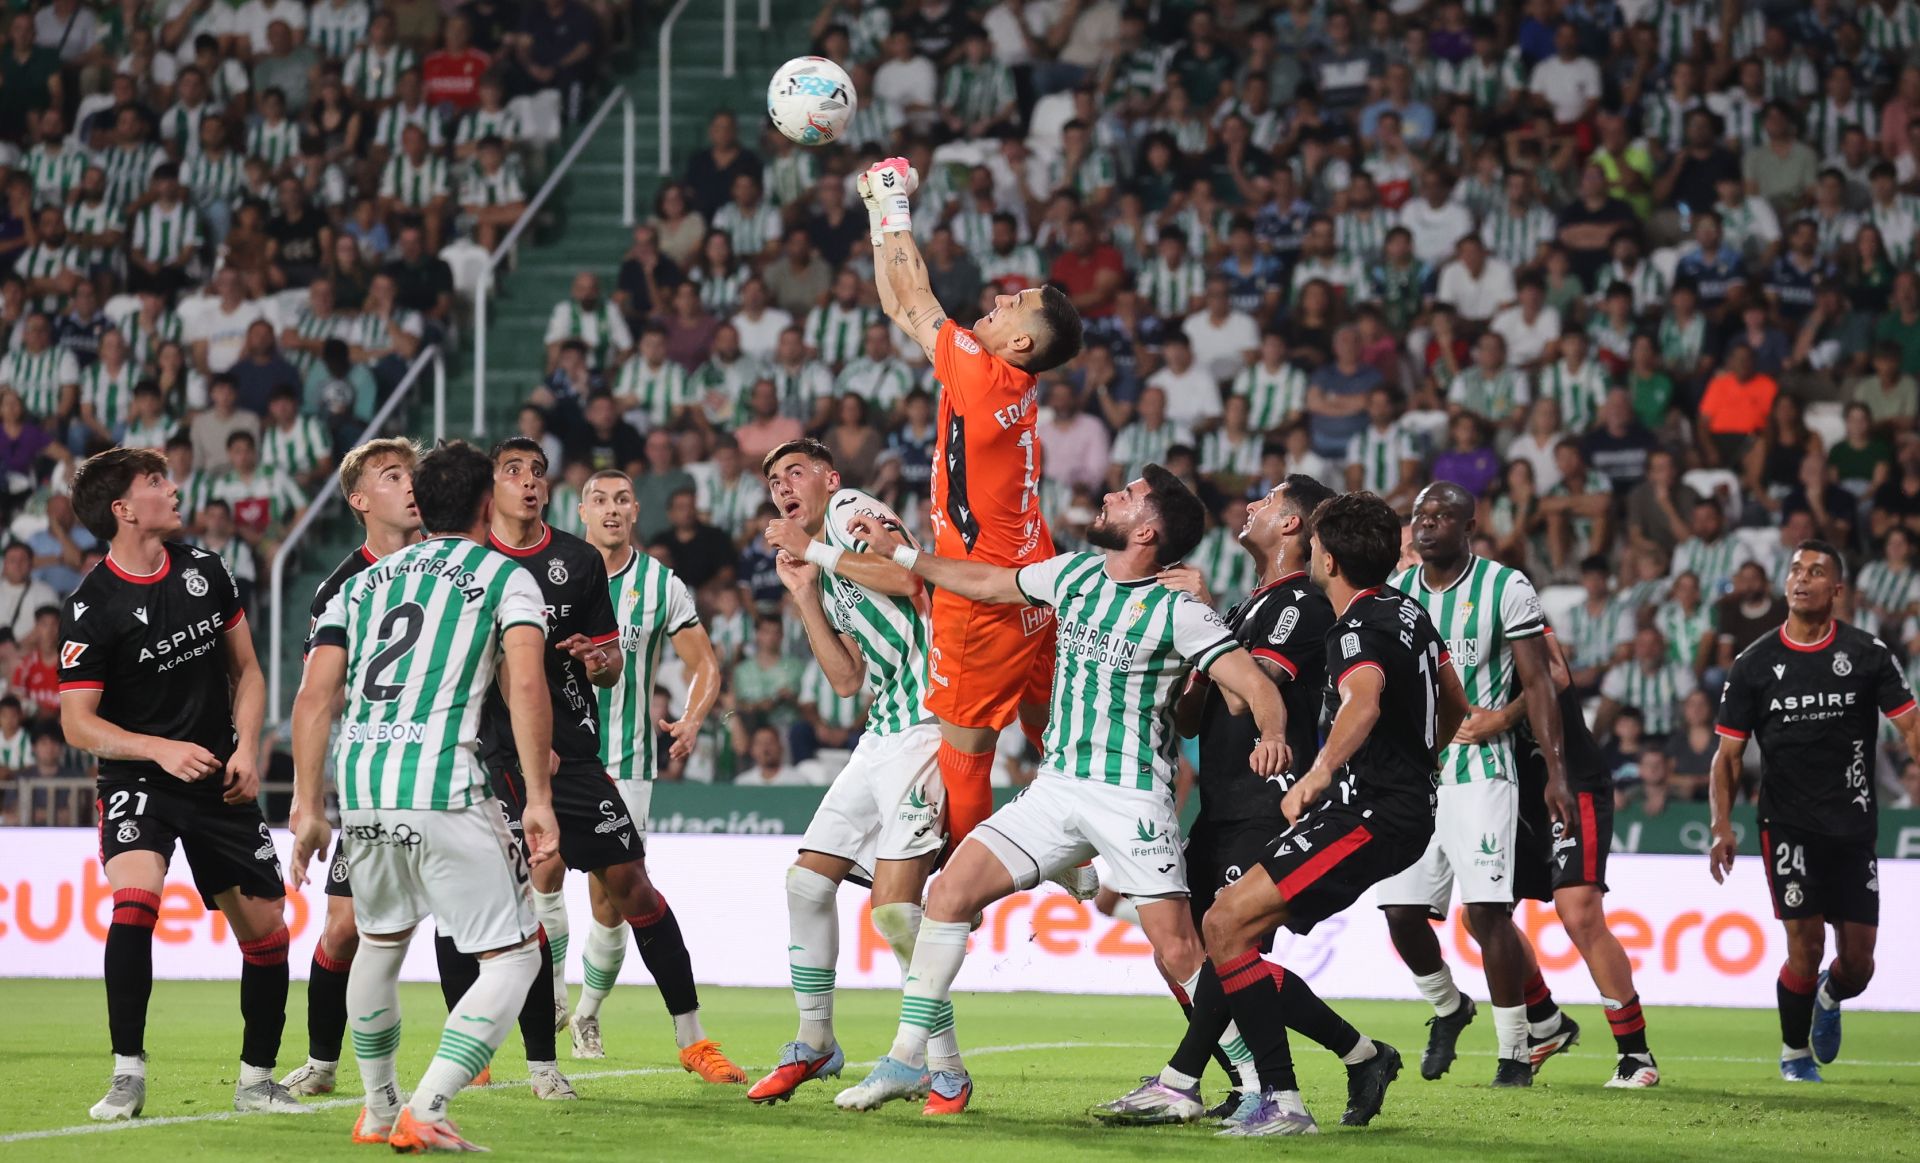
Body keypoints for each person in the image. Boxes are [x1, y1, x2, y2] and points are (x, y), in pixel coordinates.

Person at [828, 466, 1290, 1116]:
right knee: (948, 893)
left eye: (1125, 496)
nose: (1107, 495)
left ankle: (1251, 1081)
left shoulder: (1180, 612)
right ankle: (910, 1056)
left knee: (1178, 948)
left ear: (1148, 530)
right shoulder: (1073, 574)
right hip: (1057, 789)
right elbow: (986, 581)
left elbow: (1258, 686)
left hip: (1131, 800)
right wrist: (902, 554)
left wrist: (1272, 730)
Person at [1093, 474, 1403, 1129]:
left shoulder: (1303, 605)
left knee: (1231, 948)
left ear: (1293, 524)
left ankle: (1199, 1083)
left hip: (1268, 800)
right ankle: (1349, 1056)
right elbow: (1194, 709)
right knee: (1183, 946)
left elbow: (1248, 691)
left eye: (1267, 500)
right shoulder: (1243, 608)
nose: (1252, 506)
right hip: (1219, 800)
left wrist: (1205, 621)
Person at [287, 440, 556, 1153]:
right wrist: (536, 795)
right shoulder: (505, 576)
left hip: (365, 788)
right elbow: (526, 683)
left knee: (378, 940)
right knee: (516, 957)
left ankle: (378, 1108)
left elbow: (315, 698)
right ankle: (429, 1102)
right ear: (481, 504)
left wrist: (307, 805)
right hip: (444, 782)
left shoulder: (359, 584)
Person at [1196, 489, 1467, 1134]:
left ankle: (1283, 1103)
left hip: (1367, 814)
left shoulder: (1357, 626)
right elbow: (1454, 700)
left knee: (1227, 924)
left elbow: (1362, 703)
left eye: (1317, 544)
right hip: (1384, 809)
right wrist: (1420, 757)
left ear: (1330, 558)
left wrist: (1315, 776)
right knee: (1229, 927)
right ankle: (1358, 1058)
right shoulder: (1409, 612)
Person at [856, 155, 1086, 866]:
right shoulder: (1000, 374)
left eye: (1017, 303)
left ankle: (964, 888)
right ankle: (1076, 849)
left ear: (1021, 342)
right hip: (1033, 565)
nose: (1003, 298)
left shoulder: (984, 377)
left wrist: (893, 205)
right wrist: (873, 212)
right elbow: (900, 304)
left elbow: (916, 295)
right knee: (1045, 715)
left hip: (980, 585)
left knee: (966, 749)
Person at [59, 447, 296, 1119]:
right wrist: (157, 749)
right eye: (156, 481)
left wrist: (247, 747)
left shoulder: (204, 568)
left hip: (218, 775)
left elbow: (247, 670)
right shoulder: (90, 607)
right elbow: (78, 723)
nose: (173, 488)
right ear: (124, 510)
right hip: (141, 776)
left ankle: (256, 1081)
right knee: (135, 898)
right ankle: (127, 1074)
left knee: (269, 932)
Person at [746, 439, 953, 1108]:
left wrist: (816, 553)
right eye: (775, 478)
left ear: (828, 478)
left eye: (795, 471)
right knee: (806, 881)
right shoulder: (825, 564)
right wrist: (807, 595)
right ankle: (816, 1042)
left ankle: (937, 1063)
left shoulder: (848, 509)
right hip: (880, 732)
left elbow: (912, 576)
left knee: (894, 911)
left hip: (928, 722)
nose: (784, 485)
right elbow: (844, 679)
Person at [1379, 481, 1579, 1087]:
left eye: (1443, 516)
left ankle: (1515, 1052)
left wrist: (1555, 771)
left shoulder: (1505, 586)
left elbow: (1542, 682)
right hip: (1415, 777)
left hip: (1483, 772)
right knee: (1400, 913)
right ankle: (1449, 1006)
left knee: (1489, 914)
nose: (1427, 525)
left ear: (1470, 525)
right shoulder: (1397, 593)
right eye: (1420, 516)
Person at [1710, 540, 1920, 1082]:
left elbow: (1912, 725)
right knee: (1804, 944)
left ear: (1837, 589)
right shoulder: (1754, 663)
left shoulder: (1868, 654)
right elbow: (1727, 756)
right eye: (1796, 570)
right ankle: (1794, 1053)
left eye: (1817, 571)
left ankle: (1832, 992)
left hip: (1853, 827)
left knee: (1859, 966)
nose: (1802, 579)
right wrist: (1720, 825)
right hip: (1787, 825)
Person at [563, 468, 735, 1082]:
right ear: (581, 511)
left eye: (622, 500)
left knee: (613, 899)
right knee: (537, 881)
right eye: (599, 501)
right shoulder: (552, 573)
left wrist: (690, 719)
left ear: (636, 511)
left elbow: (704, 664)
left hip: (627, 761)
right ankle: (548, 1007)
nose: (611, 510)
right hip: (552, 756)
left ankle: (580, 1009)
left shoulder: (661, 585)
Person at [280, 437, 425, 1099]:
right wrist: (309, 802)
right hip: (373, 784)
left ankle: (536, 1061)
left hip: (454, 775)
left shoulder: (452, 561)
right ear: (360, 499)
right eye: (393, 475)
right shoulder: (340, 586)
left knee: (487, 930)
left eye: (412, 473)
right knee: (343, 926)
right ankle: (322, 1061)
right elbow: (318, 696)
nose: (410, 484)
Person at [1497, 628, 1662, 1087]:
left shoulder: (1512, 608)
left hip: (1571, 782)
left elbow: (1554, 676)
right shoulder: (1436, 630)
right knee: (1481, 916)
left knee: (1580, 915)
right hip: (1511, 795)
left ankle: (1636, 1054)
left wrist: (1498, 718)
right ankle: (1546, 1020)